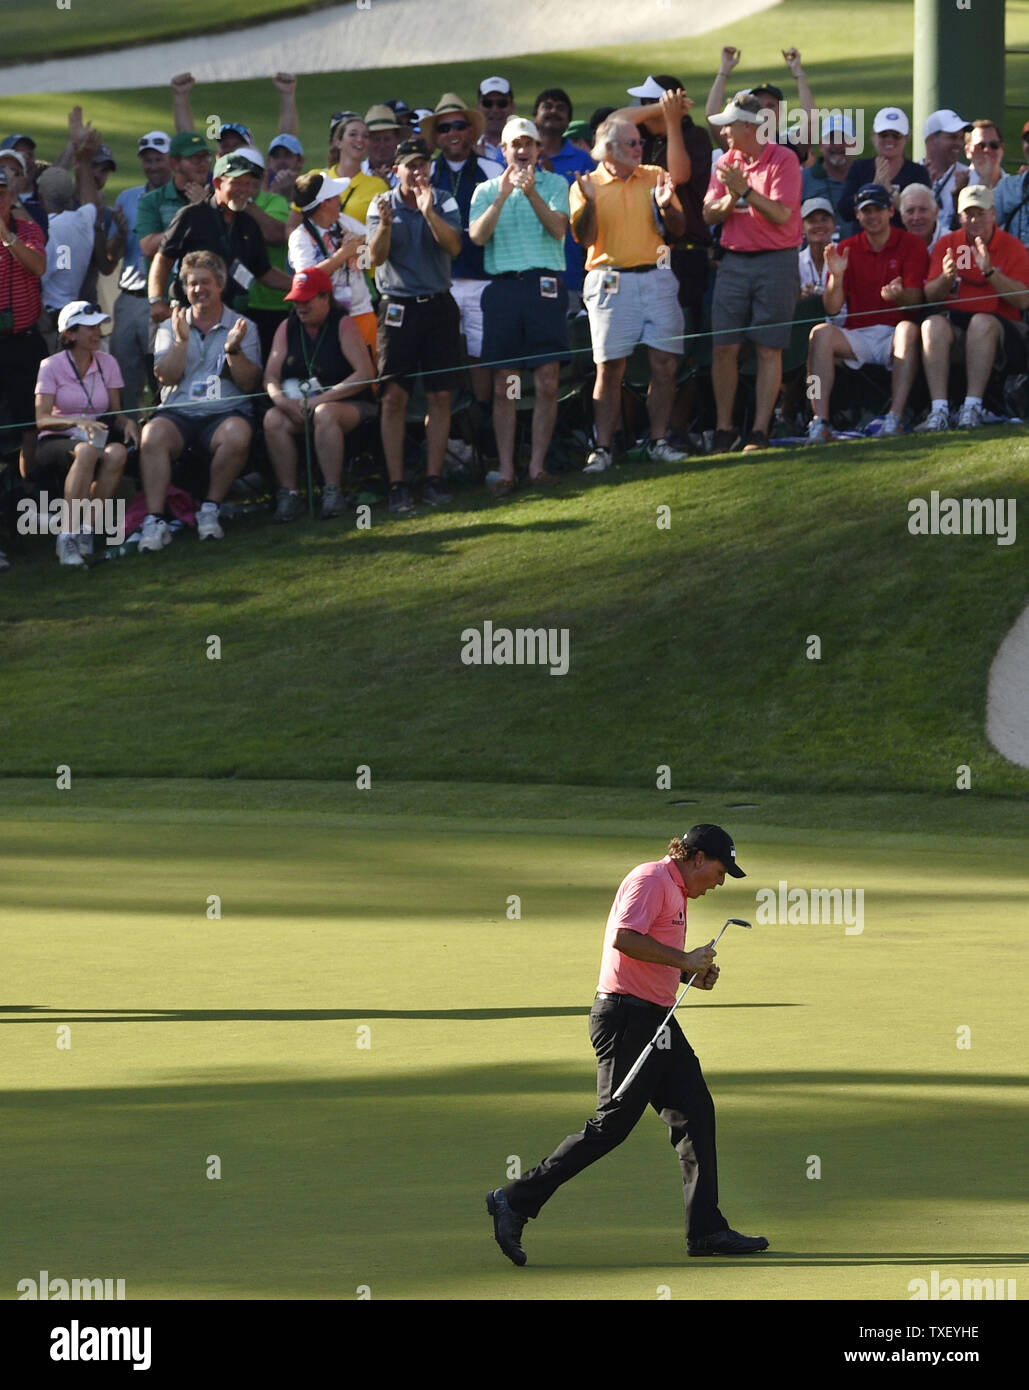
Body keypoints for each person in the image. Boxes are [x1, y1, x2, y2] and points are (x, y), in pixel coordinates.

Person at [486, 824, 768, 1266]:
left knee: (695, 1112)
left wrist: (686, 973)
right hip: (626, 1020)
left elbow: (648, 952)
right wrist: (682, 960)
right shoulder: (651, 880)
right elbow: (624, 938)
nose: (720, 880)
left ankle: (707, 1230)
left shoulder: (675, 892)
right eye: (719, 869)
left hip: (656, 1020)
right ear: (695, 858)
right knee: (611, 1126)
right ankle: (514, 1199)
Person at [569, 116, 688, 473]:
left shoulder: (654, 175)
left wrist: (667, 205)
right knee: (609, 368)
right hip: (609, 281)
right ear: (609, 149)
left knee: (665, 363)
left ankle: (658, 440)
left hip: (657, 276)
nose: (641, 148)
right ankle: (603, 447)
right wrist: (589, 203)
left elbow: (677, 230)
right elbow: (585, 238)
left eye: (640, 142)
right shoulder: (586, 184)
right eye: (632, 143)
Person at [468, 116, 570, 497]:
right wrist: (502, 195)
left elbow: (559, 229)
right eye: (516, 144)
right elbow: (477, 237)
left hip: (543, 286)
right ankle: (508, 470)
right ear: (504, 150)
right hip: (505, 290)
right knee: (505, 386)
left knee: (547, 379)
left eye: (529, 143)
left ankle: (537, 467)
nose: (523, 150)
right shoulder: (485, 191)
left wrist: (530, 193)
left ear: (538, 149)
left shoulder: (556, 184)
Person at [138, 250, 262, 550]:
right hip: (178, 413)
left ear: (220, 285)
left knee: (237, 434)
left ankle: (210, 509)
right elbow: (164, 377)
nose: (198, 290)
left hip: (224, 412)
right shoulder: (170, 326)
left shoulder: (243, 326)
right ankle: (154, 520)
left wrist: (234, 351)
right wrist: (181, 341)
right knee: (152, 435)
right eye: (192, 284)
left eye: (205, 282)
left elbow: (249, 382)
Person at [365, 138, 464, 514]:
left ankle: (434, 478)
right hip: (398, 309)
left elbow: (455, 247)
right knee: (393, 397)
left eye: (424, 165)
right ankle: (396, 484)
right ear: (397, 170)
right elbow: (374, 258)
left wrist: (428, 213)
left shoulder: (444, 200)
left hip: (438, 305)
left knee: (441, 395)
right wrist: (386, 226)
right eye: (411, 166)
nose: (419, 172)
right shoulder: (383, 205)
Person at [703, 92, 802, 453]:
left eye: (729, 125)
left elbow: (781, 215)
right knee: (724, 347)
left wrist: (744, 190)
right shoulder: (726, 162)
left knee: (768, 348)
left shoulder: (784, 160)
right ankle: (724, 428)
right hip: (733, 260)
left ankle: (760, 431)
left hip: (776, 262)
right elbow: (709, 214)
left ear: (749, 127)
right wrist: (732, 197)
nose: (724, 132)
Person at [805, 183, 928, 442]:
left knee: (908, 330)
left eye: (877, 210)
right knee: (819, 334)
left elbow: (917, 300)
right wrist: (836, 278)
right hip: (857, 334)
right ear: (858, 215)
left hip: (895, 333)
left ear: (890, 211)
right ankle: (819, 421)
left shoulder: (911, 244)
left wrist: (899, 295)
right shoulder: (847, 248)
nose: (872, 216)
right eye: (866, 211)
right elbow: (832, 307)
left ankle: (895, 417)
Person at [263, 266, 377, 522]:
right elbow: (271, 376)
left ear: (325, 297)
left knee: (324, 415)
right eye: (296, 301)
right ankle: (290, 494)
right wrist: (281, 400)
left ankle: (332, 490)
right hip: (300, 404)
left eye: (307, 300)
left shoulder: (343, 323)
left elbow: (364, 374)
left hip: (348, 403)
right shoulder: (287, 326)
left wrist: (318, 400)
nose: (301, 307)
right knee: (273, 419)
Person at [917, 184, 1029, 432]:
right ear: (960, 218)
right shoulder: (948, 243)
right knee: (931, 324)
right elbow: (930, 295)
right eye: (969, 214)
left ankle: (972, 407)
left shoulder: (1012, 247)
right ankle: (939, 409)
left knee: (981, 322)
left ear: (993, 214)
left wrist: (990, 272)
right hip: (956, 326)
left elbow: (1023, 301)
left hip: (1004, 332)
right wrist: (946, 278)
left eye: (981, 213)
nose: (974, 220)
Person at [32, 300, 136, 565]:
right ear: (69, 334)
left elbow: (115, 412)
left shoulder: (107, 362)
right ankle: (66, 535)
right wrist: (77, 422)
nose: (97, 332)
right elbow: (42, 419)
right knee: (87, 452)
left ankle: (86, 530)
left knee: (117, 452)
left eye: (98, 326)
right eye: (89, 327)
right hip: (56, 439)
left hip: (95, 436)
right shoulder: (50, 366)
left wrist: (128, 423)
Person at [423, 94, 502, 416]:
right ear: (437, 136)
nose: (453, 133)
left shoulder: (492, 168)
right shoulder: (425, 172)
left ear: (471, 130)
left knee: (481, 355)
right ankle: (454, 425)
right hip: (441, 280)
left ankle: (481, 419)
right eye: (444, 128)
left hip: (485, 277)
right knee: (444, 355)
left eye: (459, 125)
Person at [147, 151, 292, 317]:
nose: (244, 190)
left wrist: (299, 285)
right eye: (236, 183)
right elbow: (163, 259)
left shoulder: (249, 224)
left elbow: (264, 272)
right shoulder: (192, 216)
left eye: (248, 183)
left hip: (230, 318)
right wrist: (156, 301)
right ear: (217, 183)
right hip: (188, 314)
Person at [110, 130, 172, 412]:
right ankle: (129, 438)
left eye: (158, 159)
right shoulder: (127, 197)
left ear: (171, 160)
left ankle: (163, 430)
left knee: (161, 372)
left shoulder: (178, 199)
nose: (153, 166)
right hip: (129, 298)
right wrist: (120, 235)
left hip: (162, 299)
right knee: (124, 377)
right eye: (148, 160)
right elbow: (111, 257)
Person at [287, 171, 376, 355]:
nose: (339, 200)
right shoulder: (300, 237)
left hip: (362, 312)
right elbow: (306, 279)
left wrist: (360, 248)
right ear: (323, 204)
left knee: (371, 376)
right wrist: (344, 254)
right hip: (326, 321)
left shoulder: (344, 222)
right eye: (335, 197)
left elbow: (367, 262)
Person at [0, 164, 48, 478]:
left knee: (31, 425)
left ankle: (27, 493)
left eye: (1, 193)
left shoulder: (27, 229)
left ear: (10, 195)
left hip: (24, 341)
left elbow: (39, 265)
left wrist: (6, 237)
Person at [531, 88, 594, 309]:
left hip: (571, 268)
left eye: (560, 108)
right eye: (547, 106)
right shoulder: (516, 156)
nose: (553, 112)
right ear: (535, 116)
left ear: (568, 120)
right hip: (529, 267)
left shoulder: (583, 160)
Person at [706, 45, 816, 164]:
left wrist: (798, 73)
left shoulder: (789, 145)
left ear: (781, 113)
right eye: (758, 104)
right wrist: (724, 70)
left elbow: (811, 120)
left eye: (770, 105)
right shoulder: (738, 144)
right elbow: (711, 114)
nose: (764, 110)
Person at [839, 108, 931, 226]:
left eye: (896, 135)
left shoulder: (918, 172)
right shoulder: (859, 168)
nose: (889, 139)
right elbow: (845, 211)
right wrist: (872, 188)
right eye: (883, 135)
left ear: (906, 138)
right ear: (874, 137)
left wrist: (890, 191)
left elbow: (920, 216)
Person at [801, 114, 859, 239]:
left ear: (854, 145)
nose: (838, 145)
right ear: (821, 145)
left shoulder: (865, 177)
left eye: (844, 139)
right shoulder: (802, 179)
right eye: (831, 139)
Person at [922, 109, 971, 232]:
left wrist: (959, 196)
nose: (959, 144)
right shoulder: (912, 174)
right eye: (952, 137)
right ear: (932, 140)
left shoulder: (971, 177)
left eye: (961, 138)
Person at [476, 77, 515, 164]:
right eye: (487, 103)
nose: (495, 110)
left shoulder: (524, 145)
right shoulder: (467, 147)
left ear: (512, 107)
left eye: (502, 103)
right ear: (477, 107)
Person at [898, 182, 944, 252]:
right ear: (902, 217)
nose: (916, 217)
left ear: (936, 212)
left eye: (923, 210)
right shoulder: (896, 248)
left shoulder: (954, 242)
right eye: (910, 211)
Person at [964, 119, 1006, 191]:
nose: (987, 150)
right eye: (980, 145)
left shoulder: (1014, 187)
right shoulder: (956, 183)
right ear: (968, 151)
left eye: (994, 145)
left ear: (1002, 149)